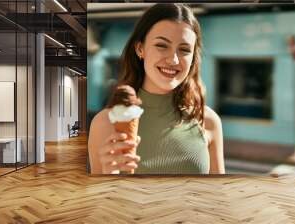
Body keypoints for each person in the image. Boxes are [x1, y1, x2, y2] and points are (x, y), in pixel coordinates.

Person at [88, 3, 225, 175]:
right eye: (162, 45)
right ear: (140, 49)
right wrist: (108, 178)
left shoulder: (209, 121)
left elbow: (218, 197)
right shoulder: (105, 124)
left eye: (184, 49)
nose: (174, 60)